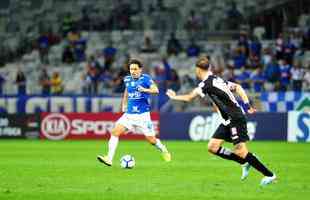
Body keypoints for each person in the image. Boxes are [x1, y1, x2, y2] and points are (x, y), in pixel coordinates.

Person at [166, 56, 276, 186]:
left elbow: (189, 97)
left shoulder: (206, 84)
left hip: (235, 118)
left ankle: (269, 175)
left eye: (196, 70)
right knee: (213, 147)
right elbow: (238, 87)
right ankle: (244, 162)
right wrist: (247, 105)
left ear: (198, 70)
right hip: (227, 120)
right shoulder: (218, 80)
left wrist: (174, 96)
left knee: (241, 151)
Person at [97, 59, 171, 166]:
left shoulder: (146, 79)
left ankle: (163, 149)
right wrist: (124, 104)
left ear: (140, 69)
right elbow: (127, 91)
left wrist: (145, 90)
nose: (133, 71)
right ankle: (109, 158)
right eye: (131, 69)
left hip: (143, 116)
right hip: (129, 115)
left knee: (151, 140)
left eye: (135, 69)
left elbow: (156, 90)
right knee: (114, 132)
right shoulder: (127, 79)